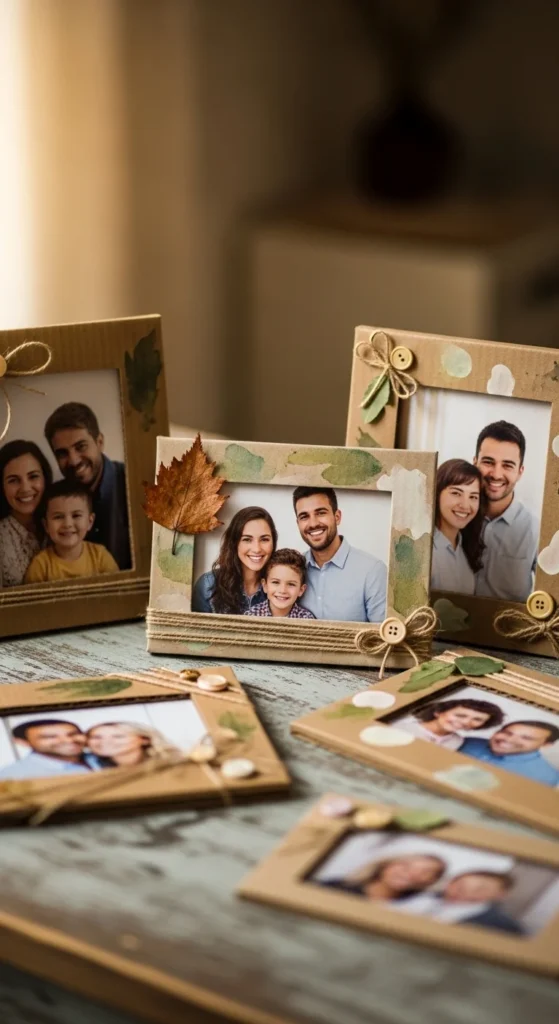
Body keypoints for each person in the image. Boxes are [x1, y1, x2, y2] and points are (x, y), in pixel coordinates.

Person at [44, 402, 131, 570]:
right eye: (62, 453)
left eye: (80, 447)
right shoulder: (53, 501)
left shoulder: (135, 484)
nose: (74, 460)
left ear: (99, 442)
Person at [293, 487, 387, 622]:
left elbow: (383, 637)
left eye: (320, 513)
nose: (313, 523)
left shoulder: (372, 571)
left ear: (337, 517)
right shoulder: (292, 568)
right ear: (298, 523)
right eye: (304, 516)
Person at [473, 421, 539, 602]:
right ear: (474, 463)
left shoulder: (536, 529)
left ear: (520, 472)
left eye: (507, 465)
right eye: (488, 462)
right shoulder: (450, 517)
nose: (496, 474)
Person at [24, 480, 119, 582]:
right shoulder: (41, 566)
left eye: (76, 515)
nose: (67, 524)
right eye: (58, 517)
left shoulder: (100, 557)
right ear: (46, 525)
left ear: (90, 522)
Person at [192, 506, 277, 614]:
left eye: (264, 539)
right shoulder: (208, 585)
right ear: (234, 543)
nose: (257, 549)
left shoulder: (281, 587)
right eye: (247, 539)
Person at [0, 440, 53, 587]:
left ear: (45, 478)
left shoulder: (64, 521)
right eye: (13, 480)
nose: (25, 488)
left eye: (33, 476)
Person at [431, 460, 485, 595]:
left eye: (473, 497)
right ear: (436, 493)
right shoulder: (424, 550)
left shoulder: (466, 547)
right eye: (456, 493)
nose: (465, 505)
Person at [460, 720, 559, 786]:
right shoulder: (467, 742)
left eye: (526, 738)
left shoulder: (545, 777)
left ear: (546, 745)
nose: (509, 740)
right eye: (507, 733)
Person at [320, 854, 446, 901]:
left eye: (425, 872)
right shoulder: (334, 886)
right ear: (386, 865)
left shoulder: (418, 909)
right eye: (405, 866)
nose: (411, 874)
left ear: (431, 882)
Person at [0, 719, 101, 778]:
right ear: (23, 742)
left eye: (73, 734)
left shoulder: (103, 757)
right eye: (50, 737)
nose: (68, 741)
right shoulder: (12, 776)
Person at [397, 697, 504, 750]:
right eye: (460, 715)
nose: (466, 722)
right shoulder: (402, 727)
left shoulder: (457, 741)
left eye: (477, 719)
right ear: (438, 712)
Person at [245, 548, 316, 619]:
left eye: (291, 584)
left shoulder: (306, 619)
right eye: (275, 582)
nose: (282, 590)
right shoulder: (251, 616)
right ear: (265, 585)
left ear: (301, 590)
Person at [86, 722, 180, 767]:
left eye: (118, 736)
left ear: (144, 740)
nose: (106, 742)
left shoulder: (172, 763)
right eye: (96, 737)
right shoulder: (90, 767)